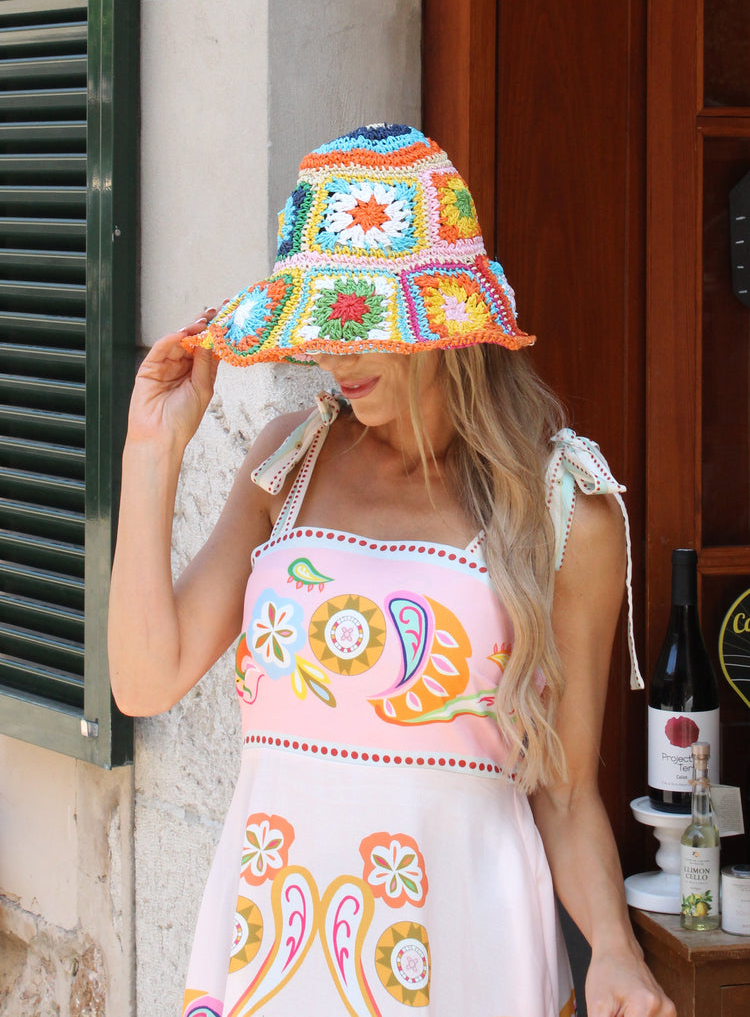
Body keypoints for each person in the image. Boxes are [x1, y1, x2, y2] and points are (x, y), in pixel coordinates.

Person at [108, 124, 675, 1017]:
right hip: (271, 942)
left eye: (361, 323)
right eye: (322, 325)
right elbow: (146, 679)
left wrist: (613, 950)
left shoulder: (566, 507)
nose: (335, 355)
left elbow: (566, 793)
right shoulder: (287, 461)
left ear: (444, 320)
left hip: (463, 948)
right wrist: (151, 451)